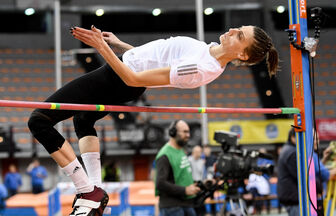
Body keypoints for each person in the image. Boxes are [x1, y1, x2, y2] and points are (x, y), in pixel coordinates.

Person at [28, 24, 279, 215]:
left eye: (240, 35)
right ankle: (94, 191)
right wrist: (119, 44)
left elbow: (134, 79)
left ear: (243, 56)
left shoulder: (201, 68)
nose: (233, 29)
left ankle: (87, 191)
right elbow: (153, 58)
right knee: (83, 121)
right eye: (238, 28)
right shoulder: (207, 51)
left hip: (119, 78)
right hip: (124, 70)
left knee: (39, 120)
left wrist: (100, 47)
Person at [277, 128, 336, 216]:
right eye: (313, 139)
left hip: (295, 199)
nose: (316, 142)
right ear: (294, 137)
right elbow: (309, 176)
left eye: (317, 139)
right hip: (296, 201)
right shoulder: (294, 153)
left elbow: (312, 171)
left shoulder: (291, 150)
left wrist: (323, 160)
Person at [155, 120, 200, 216]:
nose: (188, 135)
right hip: (172, 206)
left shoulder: (180, 151)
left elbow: (182, 177)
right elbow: (160, 183)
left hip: (185, 204)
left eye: (188, 132)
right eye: (185, 132)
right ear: (173, 132)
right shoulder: (165, 154)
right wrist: (184, 190)